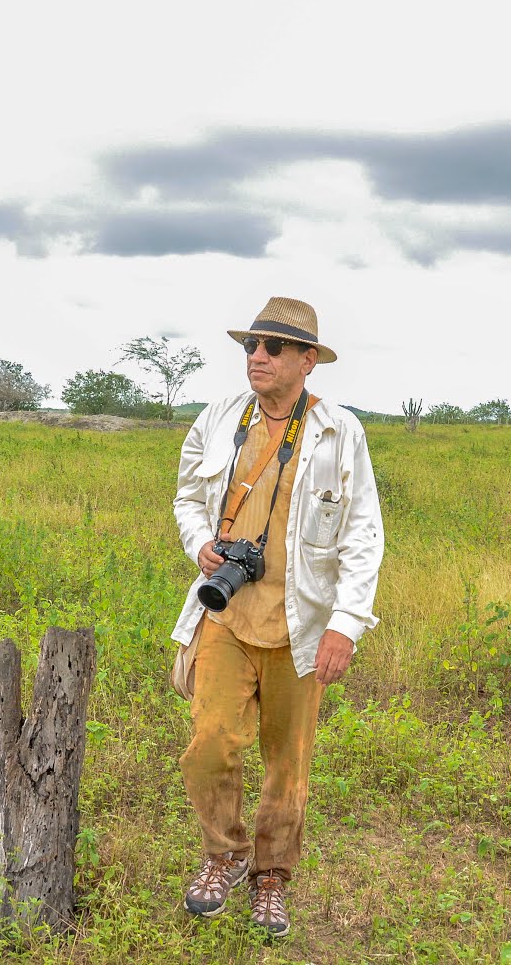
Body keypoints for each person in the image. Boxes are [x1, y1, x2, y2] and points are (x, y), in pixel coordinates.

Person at [171, 296, 385, 938]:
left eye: (273, 347)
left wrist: (346, 624)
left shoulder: (340, 431)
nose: (256, 357)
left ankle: (271, 875)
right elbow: (186, 495)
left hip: (303, 625)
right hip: (226, 611)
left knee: (287, 763)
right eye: (250, 347)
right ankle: (224, 856)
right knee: (210, 744)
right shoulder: (218, 419)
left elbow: (363, 532)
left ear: (308, 361)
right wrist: (199, 544)